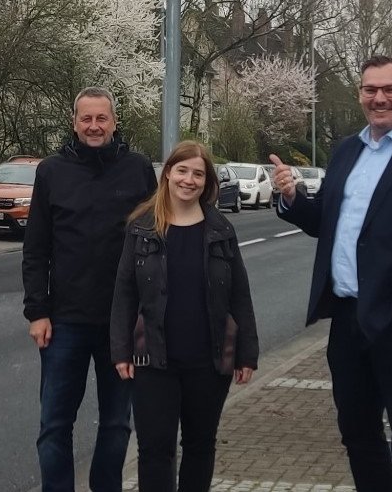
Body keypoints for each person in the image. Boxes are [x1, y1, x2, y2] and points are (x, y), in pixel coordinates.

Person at [271, 55, 392, 492]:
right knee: (358, 435)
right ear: (360, 93)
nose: (379, 99)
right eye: (370, 90)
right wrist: (292, 196)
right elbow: (328, 220)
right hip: (347, 319)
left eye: (389, 89)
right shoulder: (347, 150)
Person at [22, 87, 158, 492]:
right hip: (65, 321)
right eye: (86, 119)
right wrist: (37, 311)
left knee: (117, 424)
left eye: (102, 119)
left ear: (114, 122)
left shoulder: (137, 170)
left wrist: (148, 311)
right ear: (74, 122)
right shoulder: (51, 172)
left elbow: (154, 242)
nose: (94, 126)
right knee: (54, 425)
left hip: (122, 323)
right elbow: (36, 248)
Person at [111, 141, 259, 492]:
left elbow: (239, 293)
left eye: (198, 173)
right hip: (153, 360)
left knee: (199, 445)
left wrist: (247, 353)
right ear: (167, 175)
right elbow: (124, 292)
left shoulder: (221, 229)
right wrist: (120, 350)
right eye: (182, 170)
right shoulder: (141, 227)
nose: (189, 180)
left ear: (207, 182)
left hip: (208, 361)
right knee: (153, 450)